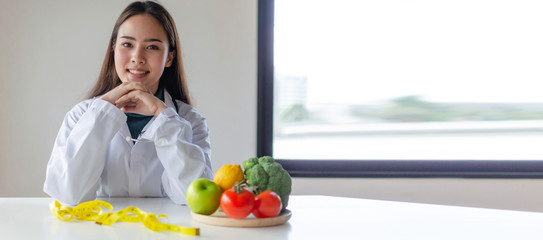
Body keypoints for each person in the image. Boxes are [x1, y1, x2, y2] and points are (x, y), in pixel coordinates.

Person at [44, 1, 212, 206]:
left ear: (169, 57)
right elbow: (66, 194)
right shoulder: (81, 115)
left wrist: (163, 115)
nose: (137, 57)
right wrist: (102, 111)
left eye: (152, 47)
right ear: (113, 48)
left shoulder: (190, 120)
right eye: (127, 44)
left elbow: (195, 197)